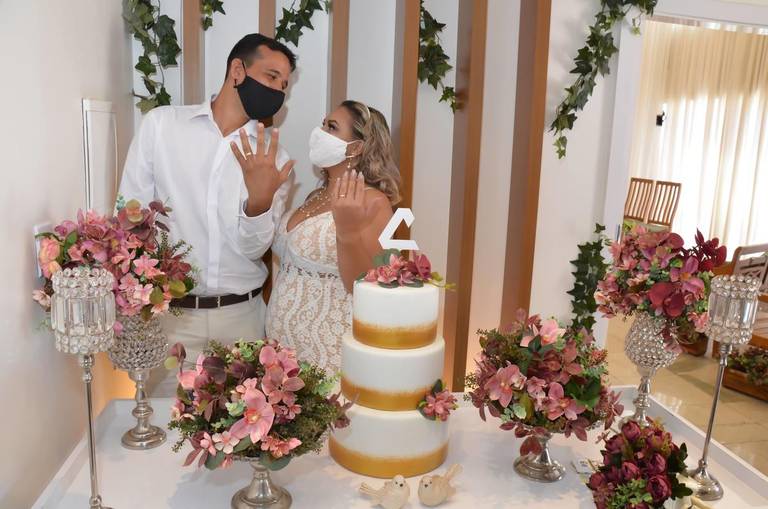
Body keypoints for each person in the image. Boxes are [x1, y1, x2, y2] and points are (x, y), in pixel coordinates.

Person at [117, 33, 296, 395]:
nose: (278, 91)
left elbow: (253, 249)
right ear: (237, 70)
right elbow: (129, 218)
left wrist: (259, 202)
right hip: (170, 320)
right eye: (271, 76)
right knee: (160, 421)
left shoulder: (274, 158)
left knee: (245, 425)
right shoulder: (162, 126)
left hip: (242, 320)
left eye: (284, 85)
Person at [255, 100, 400, 373]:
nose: (319, 133)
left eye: (331, 127)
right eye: (323, 124)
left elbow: (368, 286)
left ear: (356, 148)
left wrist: (348, 232)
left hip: (327, 348)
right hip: (283, 347)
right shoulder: (316, 194)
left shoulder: (374, 202)